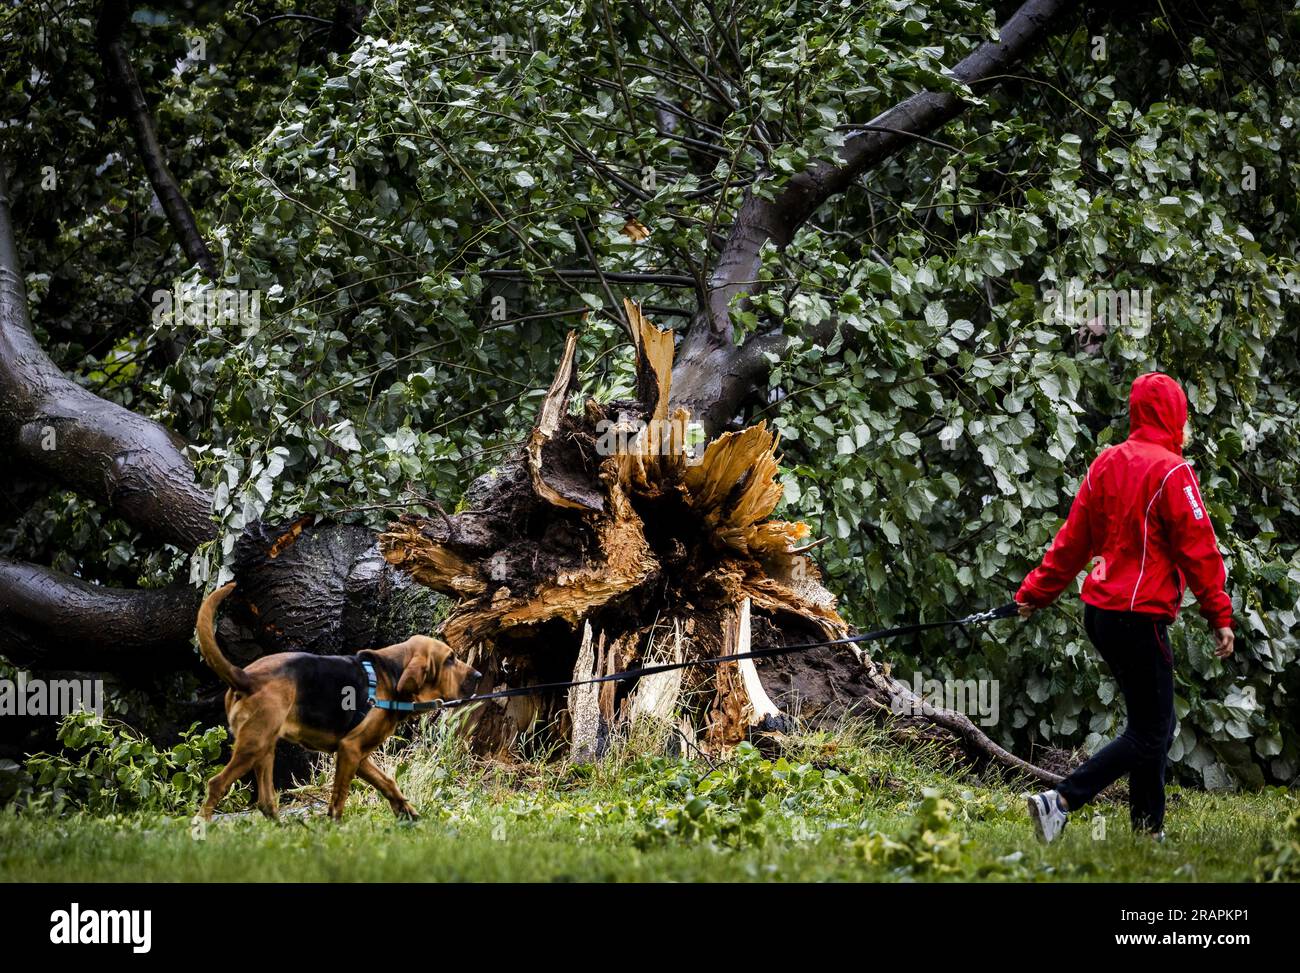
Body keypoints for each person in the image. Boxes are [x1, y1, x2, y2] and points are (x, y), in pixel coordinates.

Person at [1016, 372, 1234, 843]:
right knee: (1154, 731)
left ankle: (1145, 836)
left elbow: (1070, 544)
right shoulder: (1172, 471)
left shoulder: (1106, 463)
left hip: (1101, 615)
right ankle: (1062, 800)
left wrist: (1033, 593)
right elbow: (1200, 549)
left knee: (1151, 724)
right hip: (1140, 619)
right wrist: (1219, 614)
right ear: (1176, 416)